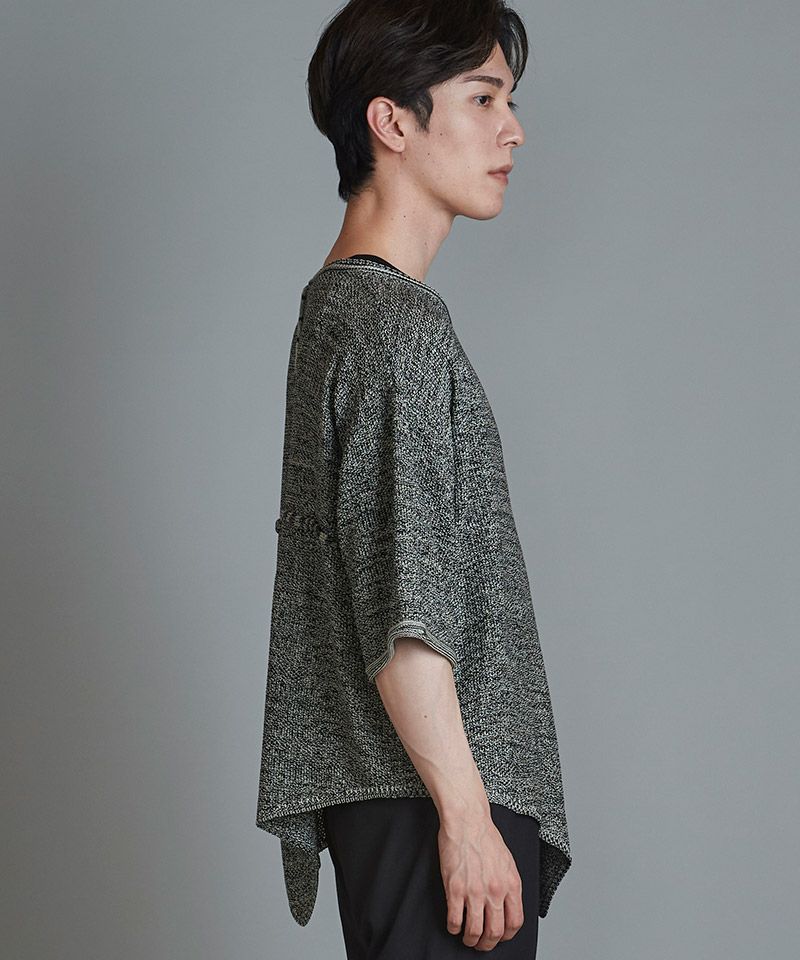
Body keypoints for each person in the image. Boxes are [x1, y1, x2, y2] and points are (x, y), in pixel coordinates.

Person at [256, 2, 572, 956]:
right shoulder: (394, 327)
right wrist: (467, 820)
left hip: (399, 801)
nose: (513, 130)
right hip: (433, 804)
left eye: (510, 101)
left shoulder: (339, 310)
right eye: (483, 98)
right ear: (392, 122)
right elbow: (407, 607)